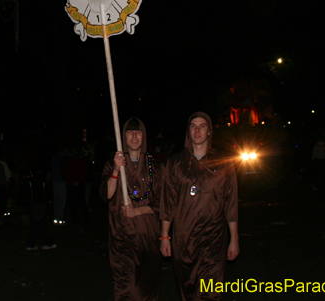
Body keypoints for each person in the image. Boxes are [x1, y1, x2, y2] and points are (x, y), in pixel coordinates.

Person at [161, 112, 239, 300]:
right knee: (188, 289)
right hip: (184, 238)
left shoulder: (223, 163)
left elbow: (231, 203)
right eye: (193, 126)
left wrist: (234, 238)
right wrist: (164, 236)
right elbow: (168, 202)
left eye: (202, 126)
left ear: (209, 131)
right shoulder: (175, 163)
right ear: (188, 131)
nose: (197, 130)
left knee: (211, 291)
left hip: (214, 237)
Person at [100, 118, 162, 301]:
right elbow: (107, 195)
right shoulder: (113, 164)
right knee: (125, 288)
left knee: (147, 289)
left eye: (138, 132)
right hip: (122, 238)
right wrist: (116, 171)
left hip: (148, 238)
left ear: (144, 136)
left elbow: (163, 202)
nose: (134, 136)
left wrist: (138, 211)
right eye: (129, 132)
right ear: (123, 136)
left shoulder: (155, 167)